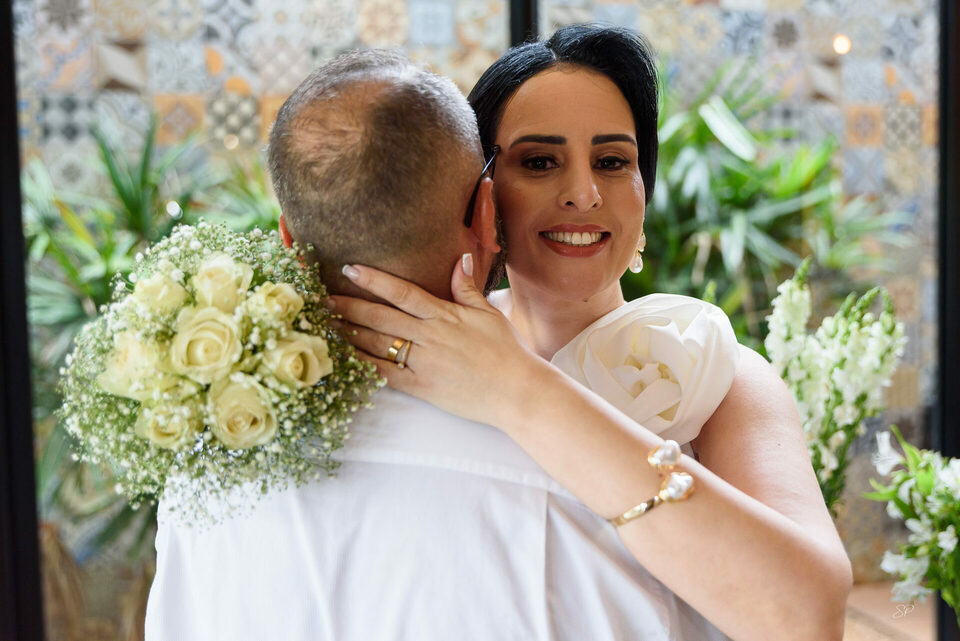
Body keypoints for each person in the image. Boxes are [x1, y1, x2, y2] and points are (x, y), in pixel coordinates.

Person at [326, 25, 853, 641]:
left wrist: (517, 389)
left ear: (643, 191)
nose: (583, 194)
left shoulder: (719, 375)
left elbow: (809, 618)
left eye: (612, 162)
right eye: (539, 162)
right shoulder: (426, 344)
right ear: (482, 198)